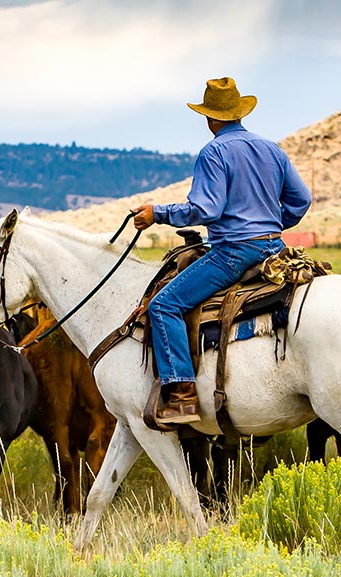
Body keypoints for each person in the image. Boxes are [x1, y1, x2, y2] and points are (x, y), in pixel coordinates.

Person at [131, 77, 312, 426]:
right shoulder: (272, 149)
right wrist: (271, 224)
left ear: (210, 119)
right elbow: (301, 200)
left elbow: (206, 210)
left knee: (164, 304)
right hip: (274, 249)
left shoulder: (213, 152)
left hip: (232, 253)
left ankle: (181, 396)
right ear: (239, 113)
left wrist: (158, 214)